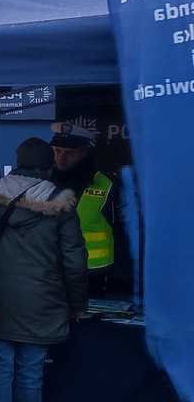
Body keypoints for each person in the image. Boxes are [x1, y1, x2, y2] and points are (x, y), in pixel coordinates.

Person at [0, 137, 87, 402]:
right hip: (43, 298)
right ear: (48, 165)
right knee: (31, 370)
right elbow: (74, 261)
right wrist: (77, 304)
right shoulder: (60, 204)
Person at [50, 121, 116, 282]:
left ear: (84, 152)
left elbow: (124, 233)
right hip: (52, 271)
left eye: (69, 152)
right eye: (57, 151)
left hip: (93, 274)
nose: (61, 157)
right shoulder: (44, 181)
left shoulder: (107, 184)